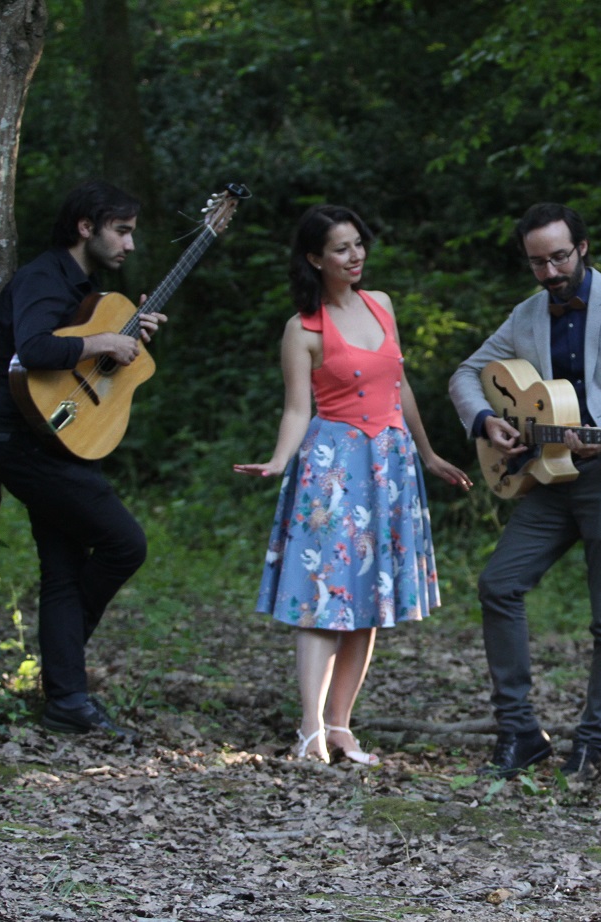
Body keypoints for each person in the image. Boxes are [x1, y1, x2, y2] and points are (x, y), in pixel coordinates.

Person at [448, 203, 601, 782]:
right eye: (537, 263)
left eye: (559, 257)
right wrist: (486, 420)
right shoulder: (526, 314)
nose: (550, 272)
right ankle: (520, 733)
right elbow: (464, 374)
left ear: (582, 247)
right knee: (498, 584)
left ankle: (591, 746)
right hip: (546, 476)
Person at [235, 204, 470, 765]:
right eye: (341, 248)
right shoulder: (303, 327)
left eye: (358, 243)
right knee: (324, 596)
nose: (355, 255)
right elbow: (297, 409)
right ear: (315, 259)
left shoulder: (381, 304)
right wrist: (278, 461)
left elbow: (399, 385)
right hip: (333, 466)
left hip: (389, 465)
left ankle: (341, 726)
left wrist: (428, 453)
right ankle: (310, 730)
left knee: (369, 598)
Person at [0, 180, 163, 739]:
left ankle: (66, 699)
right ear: (86, 227)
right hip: (28, 442)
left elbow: (86, 363)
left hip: (66, 438)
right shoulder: (43, 277)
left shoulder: (87, 291)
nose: (129, 244)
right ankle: (62, 662)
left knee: (63, 572)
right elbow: (35, 348)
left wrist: (130, 340)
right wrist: (105, 343)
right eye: (122, 231)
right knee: (124, 544)